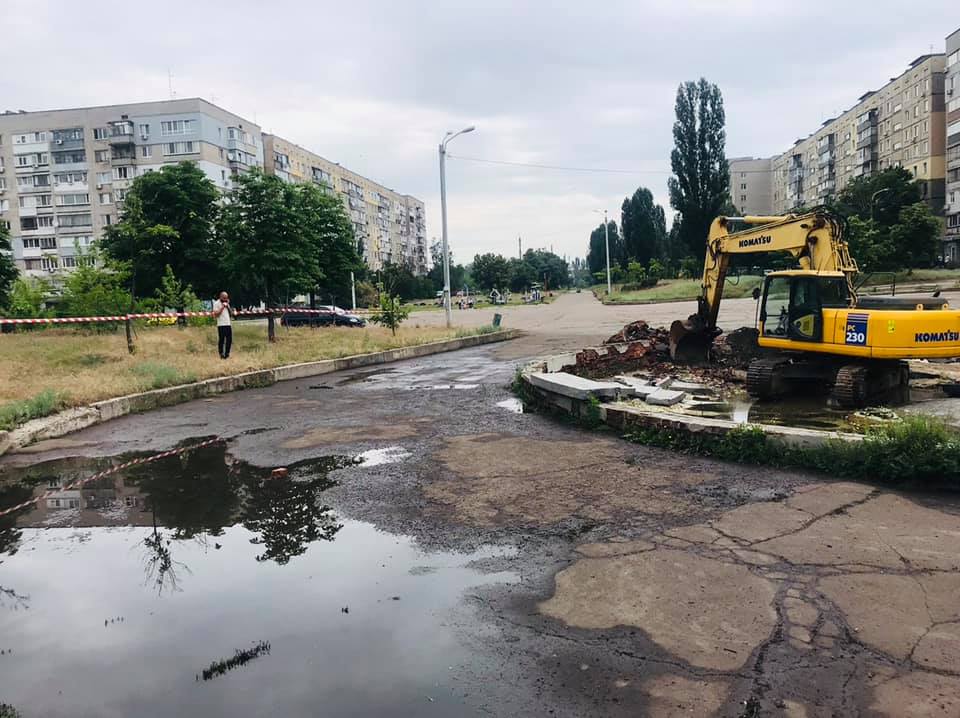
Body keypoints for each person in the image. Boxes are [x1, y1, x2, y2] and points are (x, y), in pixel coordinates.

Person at [212, 291, 233, 359]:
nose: (225, 299)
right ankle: (221, 353)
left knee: (229, 340)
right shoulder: (216, 303)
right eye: (224, 298)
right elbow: (216, 314)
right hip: (221, 324)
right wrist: (223, 307)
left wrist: (228, 306)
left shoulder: (227, 303)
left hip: (228, 323)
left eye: (226, 298)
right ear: (220, 297)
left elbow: (231, 314)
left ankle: (227, 354)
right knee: (222, 339)